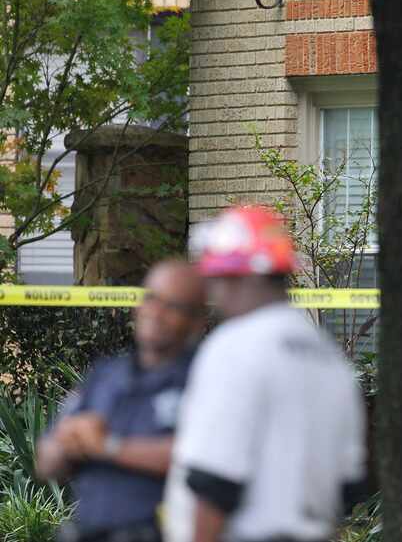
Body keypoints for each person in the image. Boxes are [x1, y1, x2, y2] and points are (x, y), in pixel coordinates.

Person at [163, 206, 367, 542]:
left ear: (239, 277)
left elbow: (215, 482)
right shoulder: (329, 358)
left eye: (219, 279)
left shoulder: (232, 348)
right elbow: (347, 486)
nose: (216, 292)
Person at [37, 259, 207, 542]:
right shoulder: (105, 375)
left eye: (173, 306)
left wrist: (106, 446)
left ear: (196, 321)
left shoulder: (205, 380)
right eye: (151, 298)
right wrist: (65, 443)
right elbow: (46, 464)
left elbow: (198, 458)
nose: (156, 312)